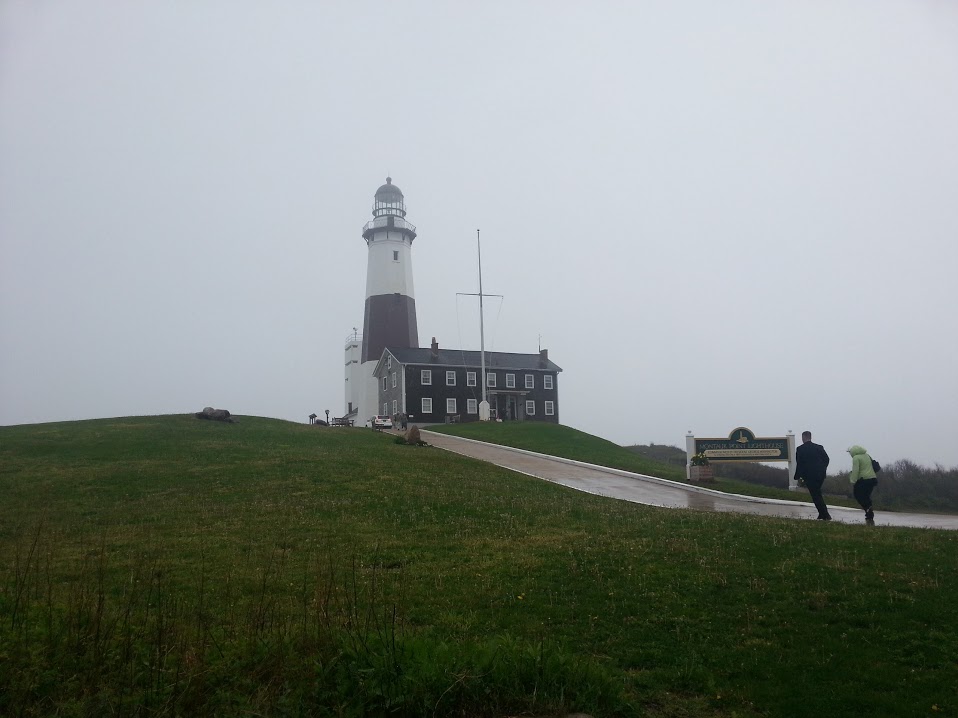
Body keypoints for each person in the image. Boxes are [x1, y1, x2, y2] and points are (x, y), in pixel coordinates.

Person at [794, 431, 831, 520]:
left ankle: (825, 514)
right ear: (810, 437)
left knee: (815, 495)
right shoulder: (819, 447)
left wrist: (797, 476)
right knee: (817, 493)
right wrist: (823, 468)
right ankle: (822, 513)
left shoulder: (800, 449)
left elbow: (800, 463)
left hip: (809, 475)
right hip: (820, 475)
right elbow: (826, 459)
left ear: (803, 437)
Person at [847, 445, 878, 524]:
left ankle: (868, 508)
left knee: (858, 495)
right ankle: (869, 513)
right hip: (872, 479)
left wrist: (853, 481)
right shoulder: (867, 455)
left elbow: (855, 470)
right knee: (866, 495)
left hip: (863, 480)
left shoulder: (856, 458)